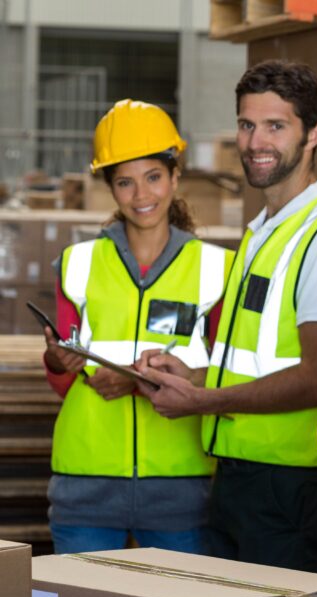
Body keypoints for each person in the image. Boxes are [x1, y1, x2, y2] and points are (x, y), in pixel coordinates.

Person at [137, 60, 317, 574]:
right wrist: (193, 377)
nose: (255, 141)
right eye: (246, 125)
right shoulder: (265, 230)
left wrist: (204, 401)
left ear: (313, 134)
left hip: (287, 486)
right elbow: (260, 359)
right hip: (241, 477)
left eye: (275, 126)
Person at [42, 99, 234, 554]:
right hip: (84, 480)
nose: (141, 195)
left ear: (174, 176)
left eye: (153, 177)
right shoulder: (77, 264)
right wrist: (57, 362)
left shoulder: (217, 269)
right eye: (124, 182)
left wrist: (152, 382)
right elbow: (63, 381)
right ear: (110, 186)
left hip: (181, 485)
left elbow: (228, 375)